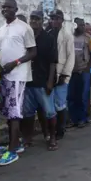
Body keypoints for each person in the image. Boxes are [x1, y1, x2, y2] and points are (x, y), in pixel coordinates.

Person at [0, 0, 37, 167]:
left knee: (15, 112)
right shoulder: (1, 30)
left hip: (18, 75)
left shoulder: (25, 28)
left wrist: (14, 63)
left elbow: (32, 52)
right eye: (3, 7)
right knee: (9, 112)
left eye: (9, 7)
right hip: (5, 76)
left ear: (16, 9)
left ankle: (12, 151)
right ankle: (14, 144)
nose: (5, 10)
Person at [19, 12, 57, 149]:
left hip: (43, 80)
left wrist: (50, 81)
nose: (34, 21)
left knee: (49, 112)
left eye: (37, 19)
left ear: (42, 21)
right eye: (32, 18)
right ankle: (28, 138)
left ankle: (52, 138)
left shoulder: (49, 38)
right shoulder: (25, 36)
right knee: (28, 113)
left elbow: (53, 62)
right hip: (27, 80)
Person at [48, 10, 74, 145]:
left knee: (60, 103)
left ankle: (61, 129)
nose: (54, 21)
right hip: (49, 74)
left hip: (62, 73)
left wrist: (65, 74)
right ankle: (51, 129)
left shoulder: (67, 35)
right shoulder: (48, 33)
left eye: (57, 18)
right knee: (50, 104)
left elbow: (71, 56)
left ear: (62, 20)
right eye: (52, 18)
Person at [68, 18, 91, 127]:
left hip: (83, 71)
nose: (82, 27)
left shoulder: (88, 38)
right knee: (71, 96)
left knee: (83, 96)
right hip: (71, 71)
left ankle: (83, 118)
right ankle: (73, 119)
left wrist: (88, 68)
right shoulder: (70, 37)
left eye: (83, 25)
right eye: (79, 25)